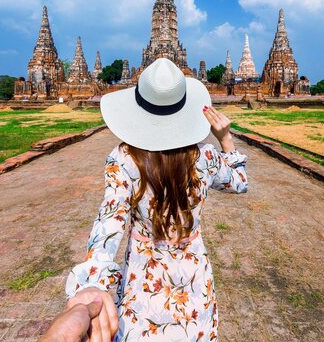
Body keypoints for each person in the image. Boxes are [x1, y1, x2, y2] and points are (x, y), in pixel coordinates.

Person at [65, 58, 248, 342]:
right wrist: (225, 139)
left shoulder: (125, 158)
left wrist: (93, 281)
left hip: (143, 285)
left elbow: (110, 220)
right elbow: (239, 183)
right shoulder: (207, 157)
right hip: (194, 284)